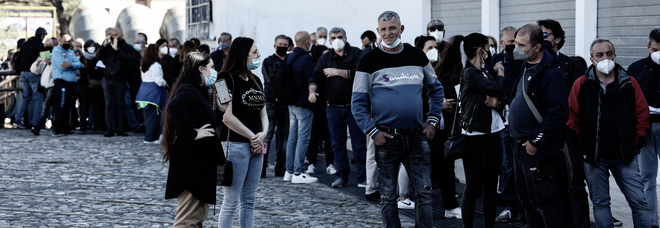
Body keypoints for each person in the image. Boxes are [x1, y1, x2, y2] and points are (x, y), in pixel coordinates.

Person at [352, 11, 444, 228]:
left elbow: (436, 89)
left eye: (392, 28)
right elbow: (358, 103)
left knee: (424, 194)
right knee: (387, 197)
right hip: (386, 137)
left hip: (416, 135)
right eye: (383, 29)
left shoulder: (417, 56)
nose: (388, 33)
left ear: (401, 29)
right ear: (377, 32)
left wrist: (432, 121)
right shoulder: (368, 60)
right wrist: (373, 132)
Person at [568, 39, 651, 228]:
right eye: (600, 55)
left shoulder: (629, 82)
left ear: (614, 55)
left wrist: (635, 143)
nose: (606, 58)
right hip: (594, 157)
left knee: (639, 202)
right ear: (592, 59)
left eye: (609, 53)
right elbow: (572, 117)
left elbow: (642, 113)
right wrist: (582, 146)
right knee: (601, 203)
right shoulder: (582, 84)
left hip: (624, 156)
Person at [508, 24, 568, 228]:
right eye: (516, 43)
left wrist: (535, 140)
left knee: (545, 202)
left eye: (522, 45)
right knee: (526, 200)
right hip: (519, 145)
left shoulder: (552, 73)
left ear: (538, 47)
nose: (516, 49)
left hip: (535, 148)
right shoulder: (525, 66)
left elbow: (558, 113)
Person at [537, 18, 590, 228]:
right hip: (544, 135)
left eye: (545, 35)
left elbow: (573, 98)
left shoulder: (573, 64)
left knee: (575, 186)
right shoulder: (532, 67)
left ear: (557, 39)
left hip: (568, 135)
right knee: (550, 188)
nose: (541, 40)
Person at [448, 33, 505, 228]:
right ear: (480, 49)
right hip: (475, 135)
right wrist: (501, 72)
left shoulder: (483, 72)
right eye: (488, 47)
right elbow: (499, 89)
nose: (490, 51)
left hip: (494, 131)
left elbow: (499, 96)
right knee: (473, 186)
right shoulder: (470, 73)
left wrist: (495, 100)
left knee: (491, 186)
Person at [162, 51, 223, 227]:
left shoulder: (199, 91)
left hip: (200, 160)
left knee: (197, 216)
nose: (214, 71)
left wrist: (219, 110)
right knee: (188, 218)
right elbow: (174, 108)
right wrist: (193, 133)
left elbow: (208, 125)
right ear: (201, 69)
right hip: (191, 161)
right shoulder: (189, 90)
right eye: (211, 67)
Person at [217, 37, 268, 228]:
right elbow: (226, 117)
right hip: (236, 145)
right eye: (254, 52)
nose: (259, 55)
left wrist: (263, 134)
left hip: (255, 144)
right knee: (230, 201)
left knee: (249, 200)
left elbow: (263, 111)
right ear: (242, 55)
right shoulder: (223, 79)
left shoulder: (256, 80)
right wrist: (252, 136)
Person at [309, 27, 366, 188]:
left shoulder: (355, 53)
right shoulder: (326, 58)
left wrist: (338, 72)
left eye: (340, 36)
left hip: (354, 106)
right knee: (337, 143)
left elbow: (362, 74)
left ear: (346, 38)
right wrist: (311, 92)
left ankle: (363, 177)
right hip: (333, 107)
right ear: (329, 40)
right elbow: (315, 77)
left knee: (359, 143)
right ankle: (342, 176)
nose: (337, 40)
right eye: (333, 38)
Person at [487, 25, 524, 224]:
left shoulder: (522, 61)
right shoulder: (494, 62)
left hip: (520, 121)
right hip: (502, 121)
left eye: (517, 43)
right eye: (511, 43)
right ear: (502, 43)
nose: (514, 47)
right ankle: (511, 205)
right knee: (507, 165)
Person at [629, 27, 660, 228]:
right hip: (645, 128)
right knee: (647, 178)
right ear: (648, 47)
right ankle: (651, 223)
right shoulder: (636, 68)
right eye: (656, 48)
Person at [283, 31, 318, 184]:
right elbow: (311, 79)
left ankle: (289, 171)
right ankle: (298, 171)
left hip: (290, 102)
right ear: (306, 42)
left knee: (292, 137)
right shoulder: (306, 58)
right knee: (303, 138)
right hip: (303, 103)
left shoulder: (289, 57)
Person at [98, 28, 141, 137]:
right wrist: (104, 46)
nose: (113, 37)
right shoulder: (106, 46)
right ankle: (110, 127)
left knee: (120, 104)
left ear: (121, 35)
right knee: (109, 104)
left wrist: (117, 50)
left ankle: (121, 127)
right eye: (111, 35)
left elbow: (129, 60)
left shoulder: (127, 47)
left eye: (116, 35)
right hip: (108, 78)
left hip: (120, 79)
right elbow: (98, 57)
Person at [261, 34, 290, 177]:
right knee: (267, 136)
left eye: (285, 45)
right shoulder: (268, 61)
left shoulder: (291, 60)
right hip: (271, 102)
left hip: (286, 104)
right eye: (280, 44)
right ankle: (262, 167)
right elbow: (269, 80)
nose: (282, 47)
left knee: (284, 137)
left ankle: (281, 168)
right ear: (274, 45)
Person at [13, 27, 47, 129]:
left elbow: (18, 59)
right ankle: (35, 123)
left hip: (23, 73)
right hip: (34, 74)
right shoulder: (40, 45)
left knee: (26, 98)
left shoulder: (25, 44)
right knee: (38, 98)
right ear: (42, 35)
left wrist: (20, 71)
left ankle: (18, 120)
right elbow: (47, 60)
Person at [50, 34, 82, 136]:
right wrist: (72, 64)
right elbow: (63, 65)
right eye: (65, 41)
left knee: (68, 105)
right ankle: (57, 127)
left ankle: (65, 127)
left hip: (71, 82)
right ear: (60, 41)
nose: (67, 43)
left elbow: (79, 64)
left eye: (69, 42)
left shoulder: (71, 52)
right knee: (61, 105)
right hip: (61, 82)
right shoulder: (56, 52)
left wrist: (71, 64)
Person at [135, 44, 167, 144]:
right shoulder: (156, 65)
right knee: (154, 116)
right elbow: (159, 81)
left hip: (143, 92)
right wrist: (166, 84)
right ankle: (151, 137)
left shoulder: (143, 64)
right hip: (154, 93)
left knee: (147, 117)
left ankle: (148, 136)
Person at [29, 39, 54, 135]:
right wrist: (37, 62)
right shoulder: (43, 55)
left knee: (46, 107)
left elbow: (57, 70)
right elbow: (34, 70)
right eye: (46, 44)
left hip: (53, 85)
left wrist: (50, 63)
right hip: (45, 86)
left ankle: (38, 127)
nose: (48, 46)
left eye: (50, 44)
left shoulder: (55, 56)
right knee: (49, 107)